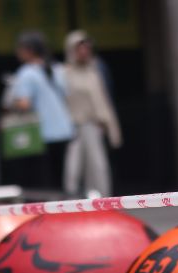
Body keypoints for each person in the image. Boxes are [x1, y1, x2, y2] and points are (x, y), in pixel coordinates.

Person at [4, 31, 74, 190]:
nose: (17, 52)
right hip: (63, 130)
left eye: (20, 48)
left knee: (41, 182)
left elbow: (24, 104)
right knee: (59, 179)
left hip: (40, 134)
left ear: (29, 50)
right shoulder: (57, 69)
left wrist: (10, 105)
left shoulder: (27, 73)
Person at [62, 30, 122, 198]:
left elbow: (102, 99)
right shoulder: (64, 73)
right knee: (73, 166)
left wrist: (109, 125)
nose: (84, 51)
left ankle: (102, 198)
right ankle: (72, 199)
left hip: (94, 124)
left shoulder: (95, 71)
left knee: (97, 164)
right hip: (73, 126)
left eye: (86, 48)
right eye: (79, 48)